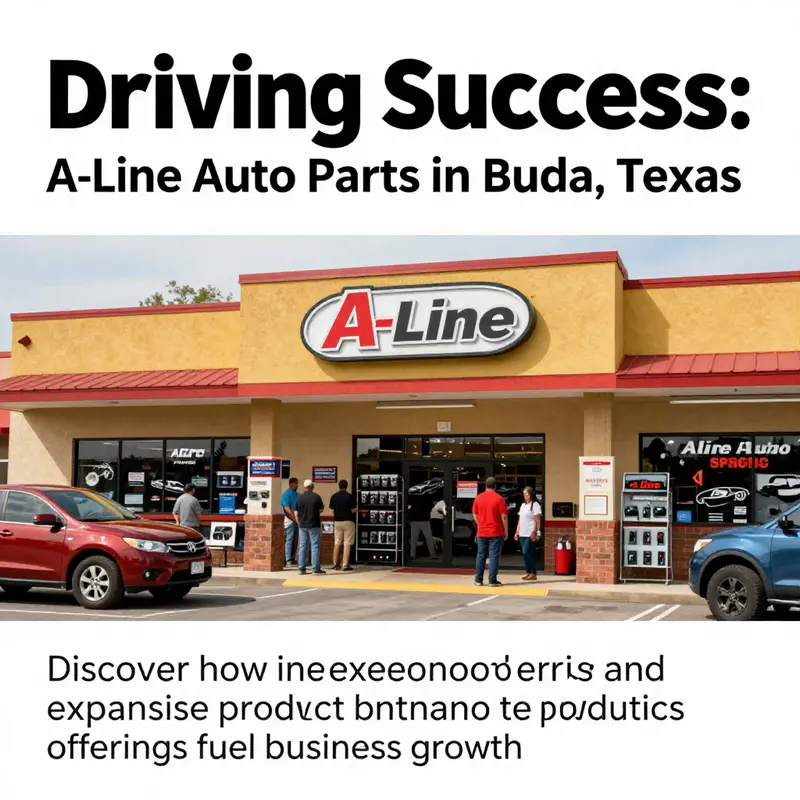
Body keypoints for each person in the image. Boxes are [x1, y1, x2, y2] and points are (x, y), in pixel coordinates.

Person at [472, 477, 508, 587]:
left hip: (482, 531)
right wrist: (505, 530)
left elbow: (475, 514)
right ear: (495, 486)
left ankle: (478, 579)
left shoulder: (478, 498)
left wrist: (480, 524)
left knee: (481, 555)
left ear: (485, 486)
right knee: (494, 556)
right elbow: (504, 517)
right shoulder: (499, 498)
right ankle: (492, 580)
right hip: (495, 532)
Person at [295, 479, 326, 575]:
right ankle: (315, 569)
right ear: (312, 486)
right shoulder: (317, 497)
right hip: (314, 524)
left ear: (304, 487)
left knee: (303, 546)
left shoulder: (300, 498)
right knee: (315, 546)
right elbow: (321, 509)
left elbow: (296, 512)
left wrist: (298, 523)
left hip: (303, 525)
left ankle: (301, 568)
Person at [514, 485, 542, 581]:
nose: (525, 496)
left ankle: (533, 573)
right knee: (525, 553)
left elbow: (537, 520)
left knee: (527, 552)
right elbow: (520, 519)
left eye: (527, 494)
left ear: (531, 495)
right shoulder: (523, 506)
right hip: (522, 533)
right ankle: (528, 572)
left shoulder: (535, 505)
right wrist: (517, 531)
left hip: (530, 533)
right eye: (524, 494)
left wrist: (537, 532)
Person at [329, 479, 357, 571]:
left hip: (337, 521)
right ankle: (345, 564)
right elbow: (353, 510)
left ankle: (335, 563)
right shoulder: (350, 497)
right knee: (347, 543)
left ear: (339, 486)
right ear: (347, 486)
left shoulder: (334, 496)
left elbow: (332, 510)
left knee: (337, 542)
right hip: (348, 521)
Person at [281, 477, 300, 566]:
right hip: (290, 520)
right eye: (296, 483)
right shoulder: (287, 494)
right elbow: (287, 508)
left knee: (295, 540)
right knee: (290, 539)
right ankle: (288, 559)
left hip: (296, 520)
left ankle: (292, 558)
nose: (297, 485)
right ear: (291, 484)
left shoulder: (297, 494)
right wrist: (294, 518)